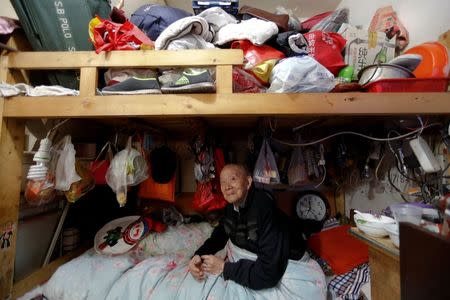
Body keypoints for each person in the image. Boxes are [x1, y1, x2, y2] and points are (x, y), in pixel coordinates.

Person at [188, 164, 326, 297]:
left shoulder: (264, 208)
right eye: (223, 182)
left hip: (286, 260)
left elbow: (269, 273)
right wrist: (198, 255)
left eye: (233, 179)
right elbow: (221, 233)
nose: (227, 186)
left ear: (248, 182)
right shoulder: (230, 207)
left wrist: (225, 268)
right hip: (260, 257)